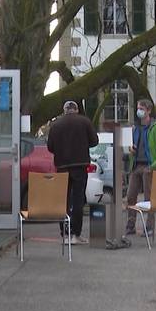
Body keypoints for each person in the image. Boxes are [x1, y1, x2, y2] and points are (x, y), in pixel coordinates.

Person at [47, 100, 99, 245]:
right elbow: (94, 141)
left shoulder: (56, 125)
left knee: (63, 200)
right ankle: (76, 234)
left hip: (62, 166)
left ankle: (65, 234)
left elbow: (50, 147)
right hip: (80, 166)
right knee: (78, 200)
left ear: (64, 110)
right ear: (76, 110)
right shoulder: (84, 122)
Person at [125, 99, 156, 237]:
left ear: (148, 111)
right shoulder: (135, 128)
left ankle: (149, 227)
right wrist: (130, 149)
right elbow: (130, 145)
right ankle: (130, 225)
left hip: (149, 166)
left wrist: (154, 165)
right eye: (138, 108)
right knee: (131, 196)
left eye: (142, 108)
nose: (139, 111)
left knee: (149, 198)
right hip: (136, 165)